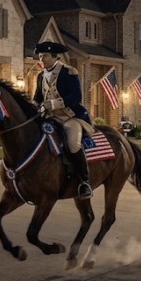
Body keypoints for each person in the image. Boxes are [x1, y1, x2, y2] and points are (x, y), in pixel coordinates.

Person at [32, 41, 95, 199]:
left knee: (73, 144)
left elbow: (76, 97)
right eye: (40, 56)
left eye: (45, 56)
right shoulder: (40, 76)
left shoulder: (69, 72)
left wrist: (52, 104)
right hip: (48, 117)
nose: (42, 59)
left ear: (55, 56)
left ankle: (84, 182)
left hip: (70, 117)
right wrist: (31, 108)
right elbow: (37, 98)